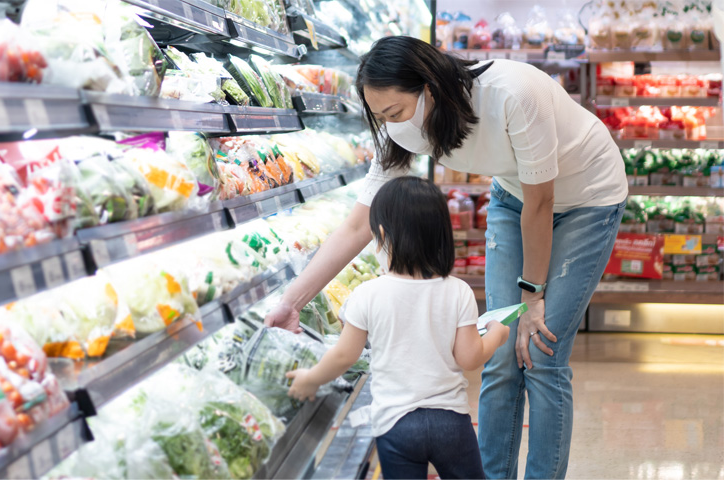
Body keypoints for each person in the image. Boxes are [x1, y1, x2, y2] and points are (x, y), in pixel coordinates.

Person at [267, 35, 627, 479]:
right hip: (514, 195)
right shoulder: (400, 126)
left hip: (588, 197)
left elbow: (543, 201)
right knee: (499, 358)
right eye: (379, 115)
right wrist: (293, 301)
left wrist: (532, 299)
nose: (389, 124)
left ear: (430, 86)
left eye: (394, 112)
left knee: (541, 351)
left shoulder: (514, 93)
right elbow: (360, 224)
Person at [285, 177, 510, 479]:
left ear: (380, 235)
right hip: (451, 422)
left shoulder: (366, 294)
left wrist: (311, 379)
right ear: (442, 236)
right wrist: (496, 333)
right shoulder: (458, 291)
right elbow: (469, 358)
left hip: (395, 424)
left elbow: (344, 356)